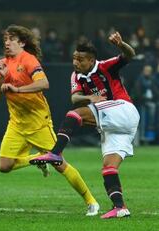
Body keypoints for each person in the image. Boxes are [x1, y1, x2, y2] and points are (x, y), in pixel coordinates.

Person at [0, 25, 99, 216]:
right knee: (4, 166)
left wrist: (18, 89)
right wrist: (0, 78)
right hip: (16, 124)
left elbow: (44, 83)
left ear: (22, 42)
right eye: (5, 39)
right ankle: (39, 160)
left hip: (39, 122)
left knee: (60, 164)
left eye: (12, 39)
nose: (7, 42)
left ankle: (91, 201)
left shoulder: (29, 60)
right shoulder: (1, 64)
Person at [30, 32, 138, 219]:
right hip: (114, 125)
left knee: (75, 115)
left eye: (80, 60)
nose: (75, 63)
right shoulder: (76, 76)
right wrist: (90, 97)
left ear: (91, 60)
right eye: (74, 58)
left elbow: (130, 55)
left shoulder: (105, 66)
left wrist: (121, 44)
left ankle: (55, 153)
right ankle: (120, 207)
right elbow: (74, 98)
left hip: (123, 110)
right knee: (108, 167)